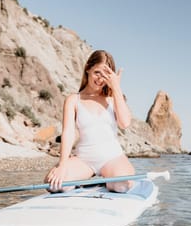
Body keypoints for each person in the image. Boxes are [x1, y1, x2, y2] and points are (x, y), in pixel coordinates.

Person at [44, 50, 135, 192]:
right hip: (84, 160)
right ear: (88, 68)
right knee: (53, 184)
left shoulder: (113, 99)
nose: (100, 79)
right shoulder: (73, 100)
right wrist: (62, 165)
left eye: (106, 75)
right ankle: (88, 178)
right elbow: (68, 133)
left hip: (112, 158)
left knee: (121, 185)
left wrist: (116, 87)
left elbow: (125, 123)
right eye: (97, 72)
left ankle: (105, 180)